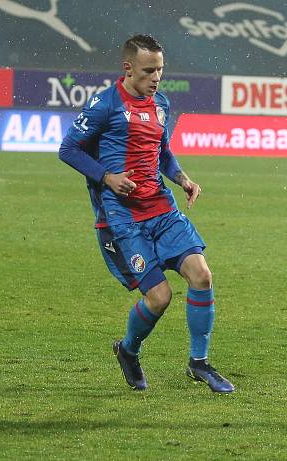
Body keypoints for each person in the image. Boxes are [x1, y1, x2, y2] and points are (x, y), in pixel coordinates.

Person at [58, 34, 234, 393]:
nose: (156, 78)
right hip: (122, 219)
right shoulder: (103, 105)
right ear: (127, 68)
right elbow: (68, 149)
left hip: (162, 208)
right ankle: (128, 350)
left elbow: (162, 151)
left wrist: (182, 178)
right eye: (149, 70)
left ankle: (198, 363)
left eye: (161, 70)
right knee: (159, 297)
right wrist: (106, 176)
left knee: (201, 275)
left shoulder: (161, 103)